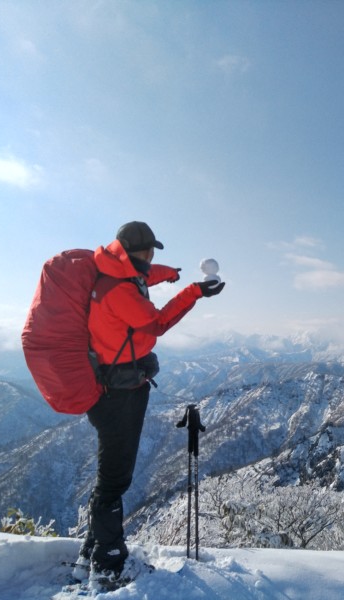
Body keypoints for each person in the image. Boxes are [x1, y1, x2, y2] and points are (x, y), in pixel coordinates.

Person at [77, 221, 224, 586]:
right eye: (149, 253)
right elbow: (156, 323)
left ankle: (91, 553)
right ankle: (108, 565)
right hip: (119, 394)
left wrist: (169, 274)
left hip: (112, 388)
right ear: (133, 252)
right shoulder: (119, 292)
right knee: (115, 478)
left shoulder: (115, 272)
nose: (152, 258)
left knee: (110, 473)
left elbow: (143, 276)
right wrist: (193, 292)